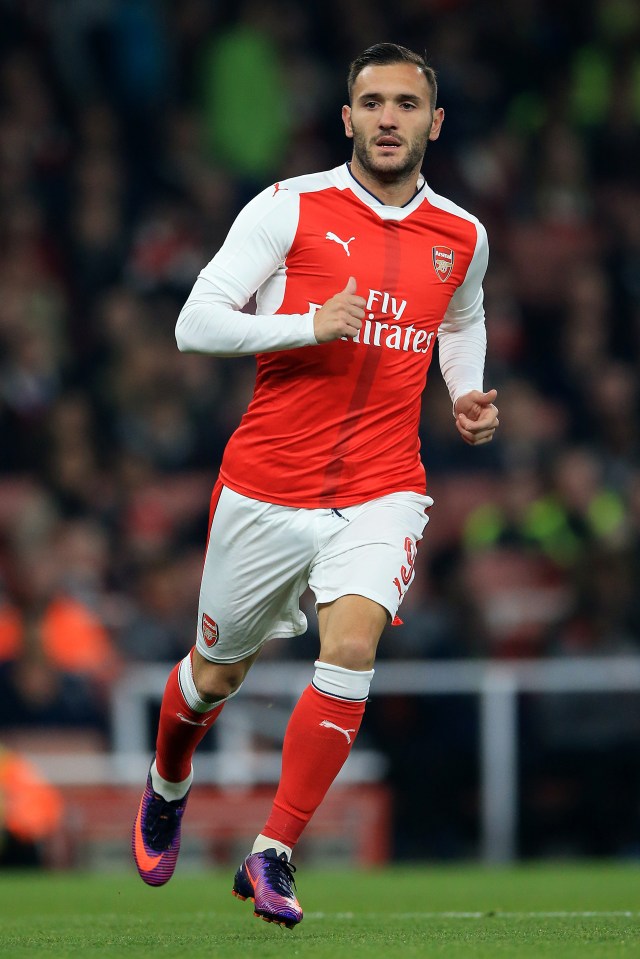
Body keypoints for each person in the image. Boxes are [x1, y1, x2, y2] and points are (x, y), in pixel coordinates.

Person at [132, 42, 498, 928]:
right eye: (371, 102)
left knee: (355, 643)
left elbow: (464, 313)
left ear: (433, 122)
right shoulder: (288, 207)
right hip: (265, 486)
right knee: (215, 675)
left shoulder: (464, 235)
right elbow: (194, 322)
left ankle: (274, 853)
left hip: (382, 486)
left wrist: (466, 390)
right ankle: (167, 776)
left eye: (406, 104)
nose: (387, 118)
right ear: (346, 117)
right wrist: (304, 324)